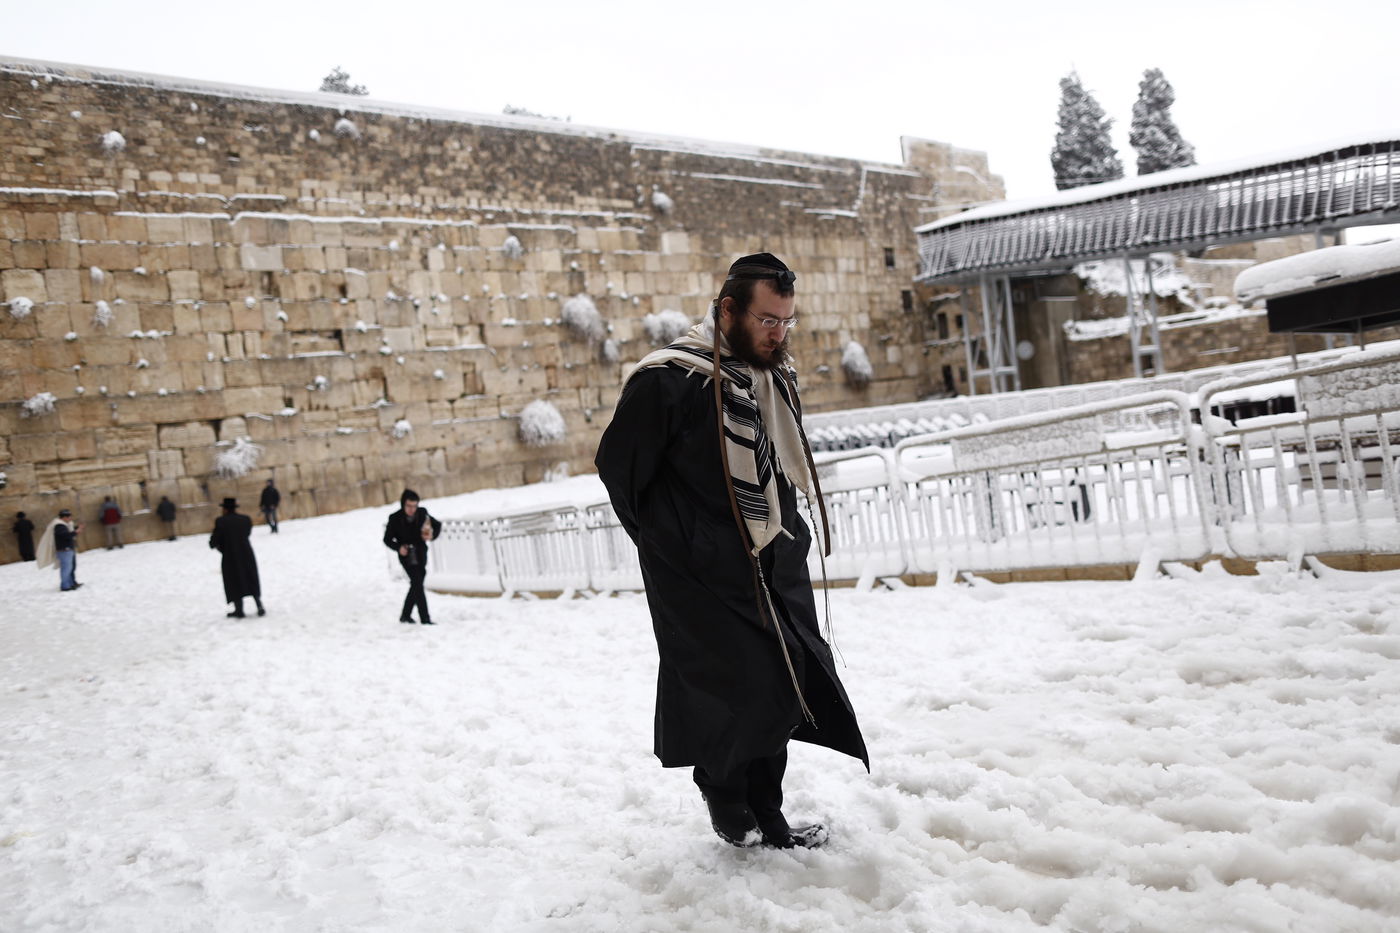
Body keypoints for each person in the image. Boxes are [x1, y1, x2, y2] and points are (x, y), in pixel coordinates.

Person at [594, 252, 867, 850]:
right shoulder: (668, 381)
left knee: (787, 686)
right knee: (737, 693)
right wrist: (681, 546)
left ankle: (767, 812)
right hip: (702, 575)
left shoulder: (768, 378)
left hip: (774, 560)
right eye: (768, 320)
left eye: (787, 322)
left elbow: (774, 471)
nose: (778, 333)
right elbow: (619, 472)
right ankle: (724, 795)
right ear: (728, 310)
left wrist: (788, 537)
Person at [383, 488, 442, 625]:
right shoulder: (395, 518)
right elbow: (387, 539)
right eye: (409, 506)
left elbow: (437, 525)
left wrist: (431, 535)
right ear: (403, 504)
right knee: (417, 583)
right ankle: (425, 618)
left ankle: (405, 615)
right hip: (407, 555)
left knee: (417, 583)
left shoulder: (422, 513)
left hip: (420, 553)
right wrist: (398, 548)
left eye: (414, 506)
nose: (412, 509)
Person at [209, 497, 264, 618]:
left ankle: (239, 609)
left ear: (225, 509)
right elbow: (247, 533)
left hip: (230, 555)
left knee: (234, 581)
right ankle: (259, 605)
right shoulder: (245, 519)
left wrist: (221, 546)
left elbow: (213, 542)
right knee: (250, 578)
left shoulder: (221, 521)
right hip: (246, 553)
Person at [36, 508, 82, 591]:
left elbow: (67, 532)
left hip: (68, 550)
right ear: (64, 517)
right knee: (66, 569)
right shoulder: (59, 525)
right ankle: (65, 586)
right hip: (65, 550)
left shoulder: (63, 525)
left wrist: (76, 529)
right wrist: (76, 532)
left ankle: (71, 583)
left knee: (70, 568)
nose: (70, 518)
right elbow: (65, 535)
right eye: (69, 517)